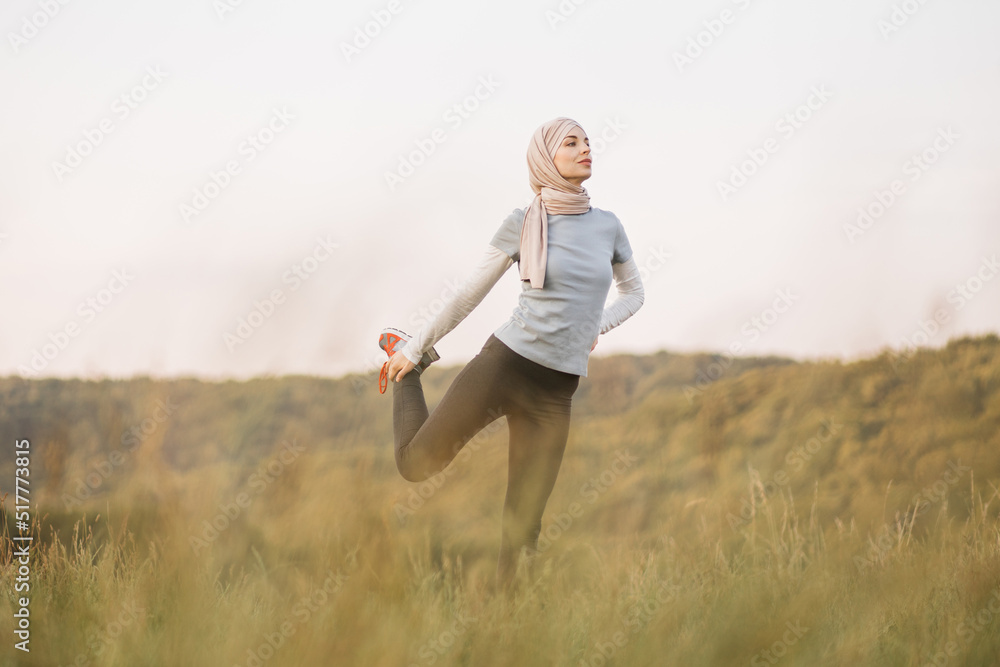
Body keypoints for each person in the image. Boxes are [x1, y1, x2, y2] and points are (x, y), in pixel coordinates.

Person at [377, 116, 645, 592]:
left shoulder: (608, 227)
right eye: (571, 142)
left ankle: (504, 637)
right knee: (416, 466)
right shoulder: (522, 222)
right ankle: (410, 369)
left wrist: (593, 326)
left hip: (555, 394)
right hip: (505, 366)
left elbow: (634, 295)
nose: (586, 148)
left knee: (524, 528)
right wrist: (417, 344)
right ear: (546, 157)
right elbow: (468, 294)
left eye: (587, 141)